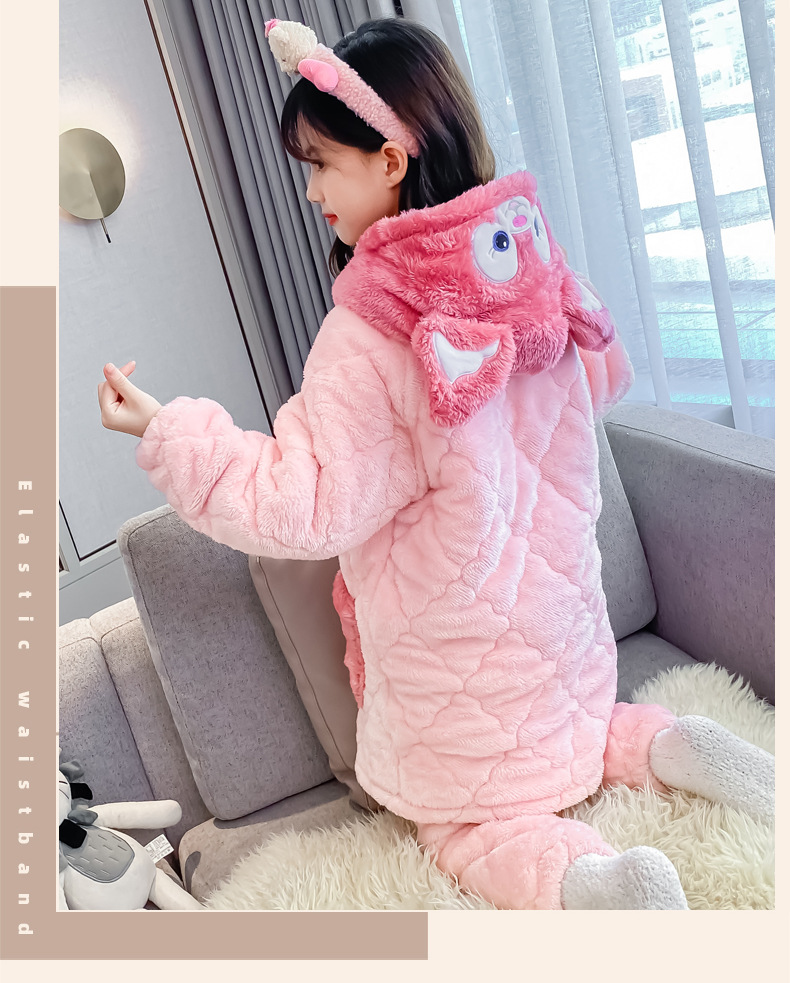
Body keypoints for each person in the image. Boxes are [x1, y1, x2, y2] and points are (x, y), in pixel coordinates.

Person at [97, 17, 773, 910]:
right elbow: (605, 377)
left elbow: (303, 503)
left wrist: (166, 430)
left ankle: (594, 885)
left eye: (321, 164)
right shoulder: (528, 264)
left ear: (389, 159)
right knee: (578, 738)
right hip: (568, 645)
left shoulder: (371, 334)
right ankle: (672, 746)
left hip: (457, 688)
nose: (311, 191)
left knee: (464, 826)